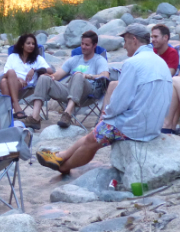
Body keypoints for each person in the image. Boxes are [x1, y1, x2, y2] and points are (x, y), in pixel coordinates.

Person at [37, 24, 172, 174]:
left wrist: (107, 114)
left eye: (125, 41)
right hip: (154, 125)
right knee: (96, 132)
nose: (124, 46)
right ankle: (61, 156)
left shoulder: (133, 63)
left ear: (134, 40)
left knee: (93, 140)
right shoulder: (161, 63)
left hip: (136, 126)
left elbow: (121, 99)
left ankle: (63, 167)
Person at [23, 30, 108, 130]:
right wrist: (51, 77)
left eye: (87, 45)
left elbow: (105, 76)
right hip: (70, 91)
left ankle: (67, 114)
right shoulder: (75, 59)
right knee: (44, 78)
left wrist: (87, 76)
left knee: (78, 75)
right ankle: (35, 117)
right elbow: (58, 75)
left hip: (88, 93)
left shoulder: (99, 60)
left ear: (94, 46)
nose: (83, 47)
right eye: (82, 44)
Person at [0, 34, 50, 119]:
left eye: (33, 44)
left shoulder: (38, 58)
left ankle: (9, 111)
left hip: (27, 86)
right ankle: (16, 105)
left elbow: (50, 71)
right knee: (8, 76)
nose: (31, 46)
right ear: (22, 45)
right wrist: (16, 78)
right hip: (13, 81)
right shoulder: (13, 57)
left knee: (4, 82)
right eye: (28, 43)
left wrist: (34, 69)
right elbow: (6, 73)